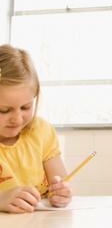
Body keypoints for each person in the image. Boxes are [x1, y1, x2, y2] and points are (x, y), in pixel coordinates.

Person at [0, 44, 72, 213]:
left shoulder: (41, 132)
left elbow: (61, 181)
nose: (17, 119)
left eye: (25, 107)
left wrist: (61, 194)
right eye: (4, 110)